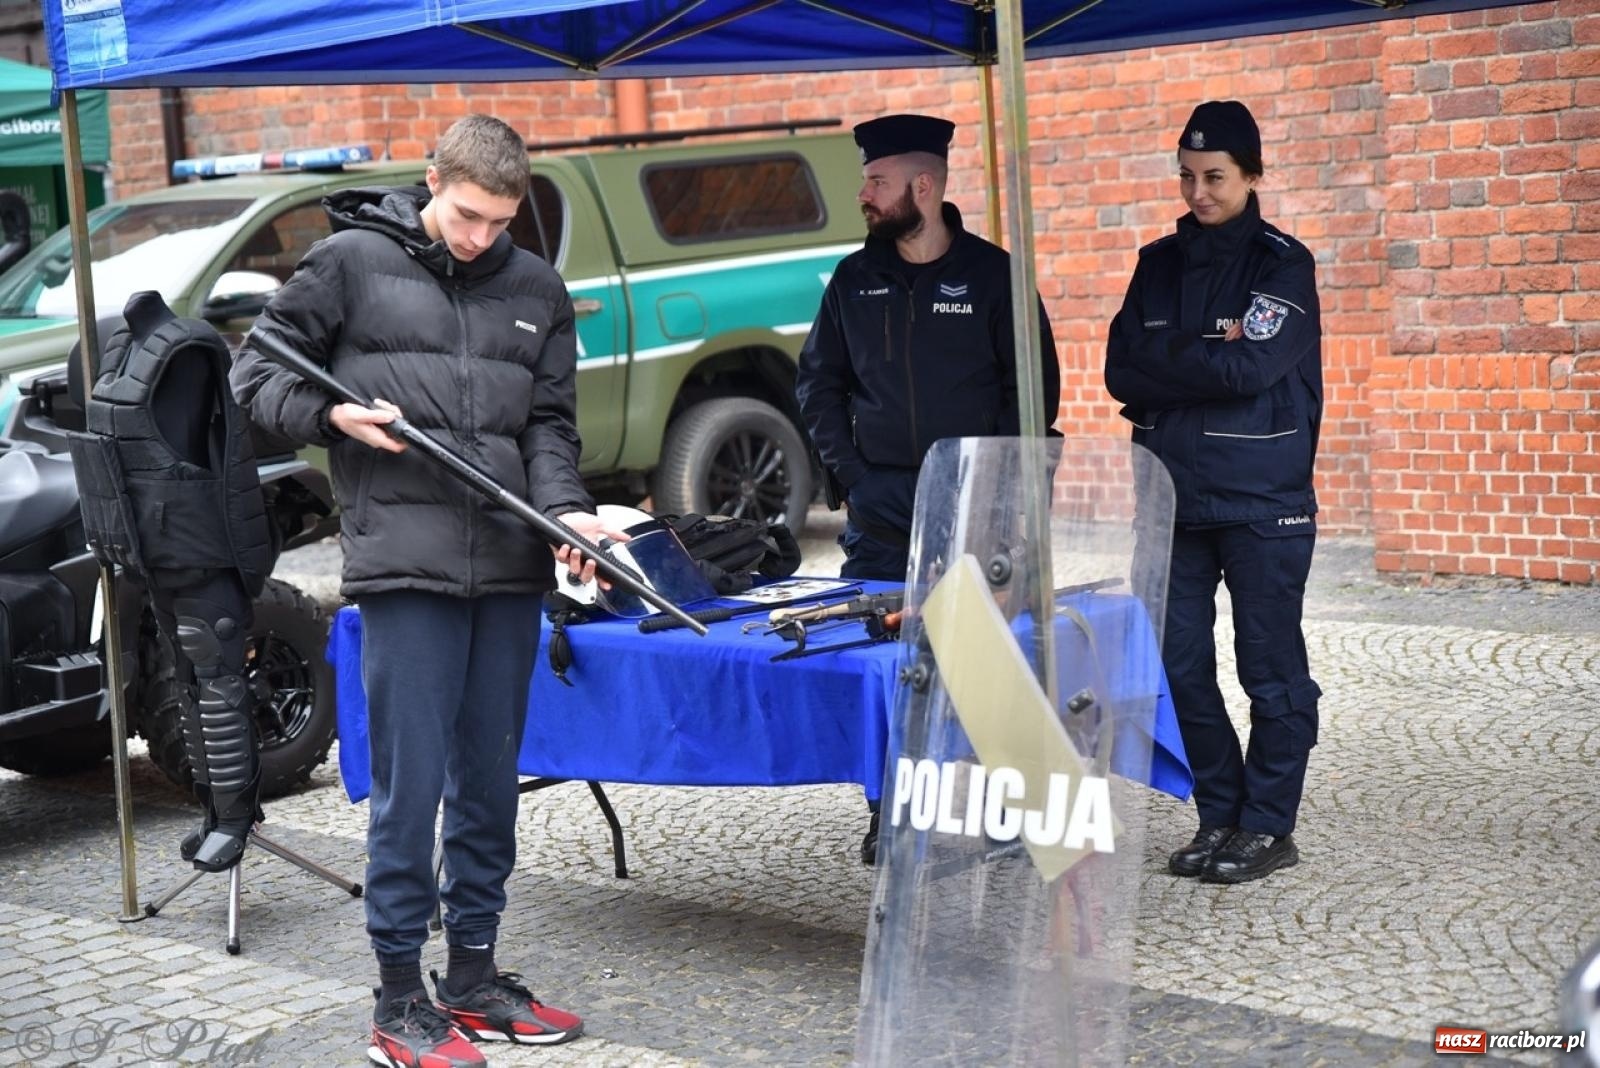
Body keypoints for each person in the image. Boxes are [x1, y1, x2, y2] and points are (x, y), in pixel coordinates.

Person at [232, 114, 625, 1067]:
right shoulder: (350, 263)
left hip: (510, 566)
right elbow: (254, 372)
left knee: (489, 781)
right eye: (467, 216)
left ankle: (473, 976)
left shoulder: (537, 289)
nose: (481, 238)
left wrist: (568, 514)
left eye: (501, 222)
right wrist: (331, 415)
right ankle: (398, 997)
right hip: (403, 565)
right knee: (409, 791)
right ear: (432, 181)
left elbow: (550, 429)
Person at [795, 113, 1061, 863]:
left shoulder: (995, 276)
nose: (864, 196)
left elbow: (1032, 394)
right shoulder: (854, 280)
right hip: (882, 515)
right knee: (889, 666)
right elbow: (818, 385)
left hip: (978, 509)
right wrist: (853, 478)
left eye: (876, 183)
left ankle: (1006, 810)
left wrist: (999, 495)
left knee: (989, 661)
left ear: (923, 186)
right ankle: (893, 810)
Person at [1103, 100, 1323, 884]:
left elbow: (1251, 368)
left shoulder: (1282, 265)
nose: (1199, 192)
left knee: (1270, 671)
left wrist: (1170, 357)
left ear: (1253, 175)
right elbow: (1119, 371)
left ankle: (1267, 825)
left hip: (1264, 504)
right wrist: (1207, 349)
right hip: (1171, 501)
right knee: (1176, 664)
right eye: (1188, 176)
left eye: (1216, 177)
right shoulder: (1157, 264)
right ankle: (1221, 813)